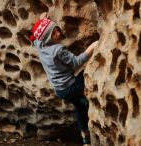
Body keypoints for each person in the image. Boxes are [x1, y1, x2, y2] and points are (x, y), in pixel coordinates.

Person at [29, 13, 99, 146]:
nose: (58, 33)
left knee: (79, 108)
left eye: (56, 29)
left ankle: (85, 138)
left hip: (60, 90)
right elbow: (76, 62)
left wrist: (42, 20)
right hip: (71, 87)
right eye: (53, 33)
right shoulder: (58, 49)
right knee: (87, 73)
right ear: (48, 38)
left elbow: (36, 37)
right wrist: (93, 46)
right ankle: (83, 96)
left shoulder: (40, 44)